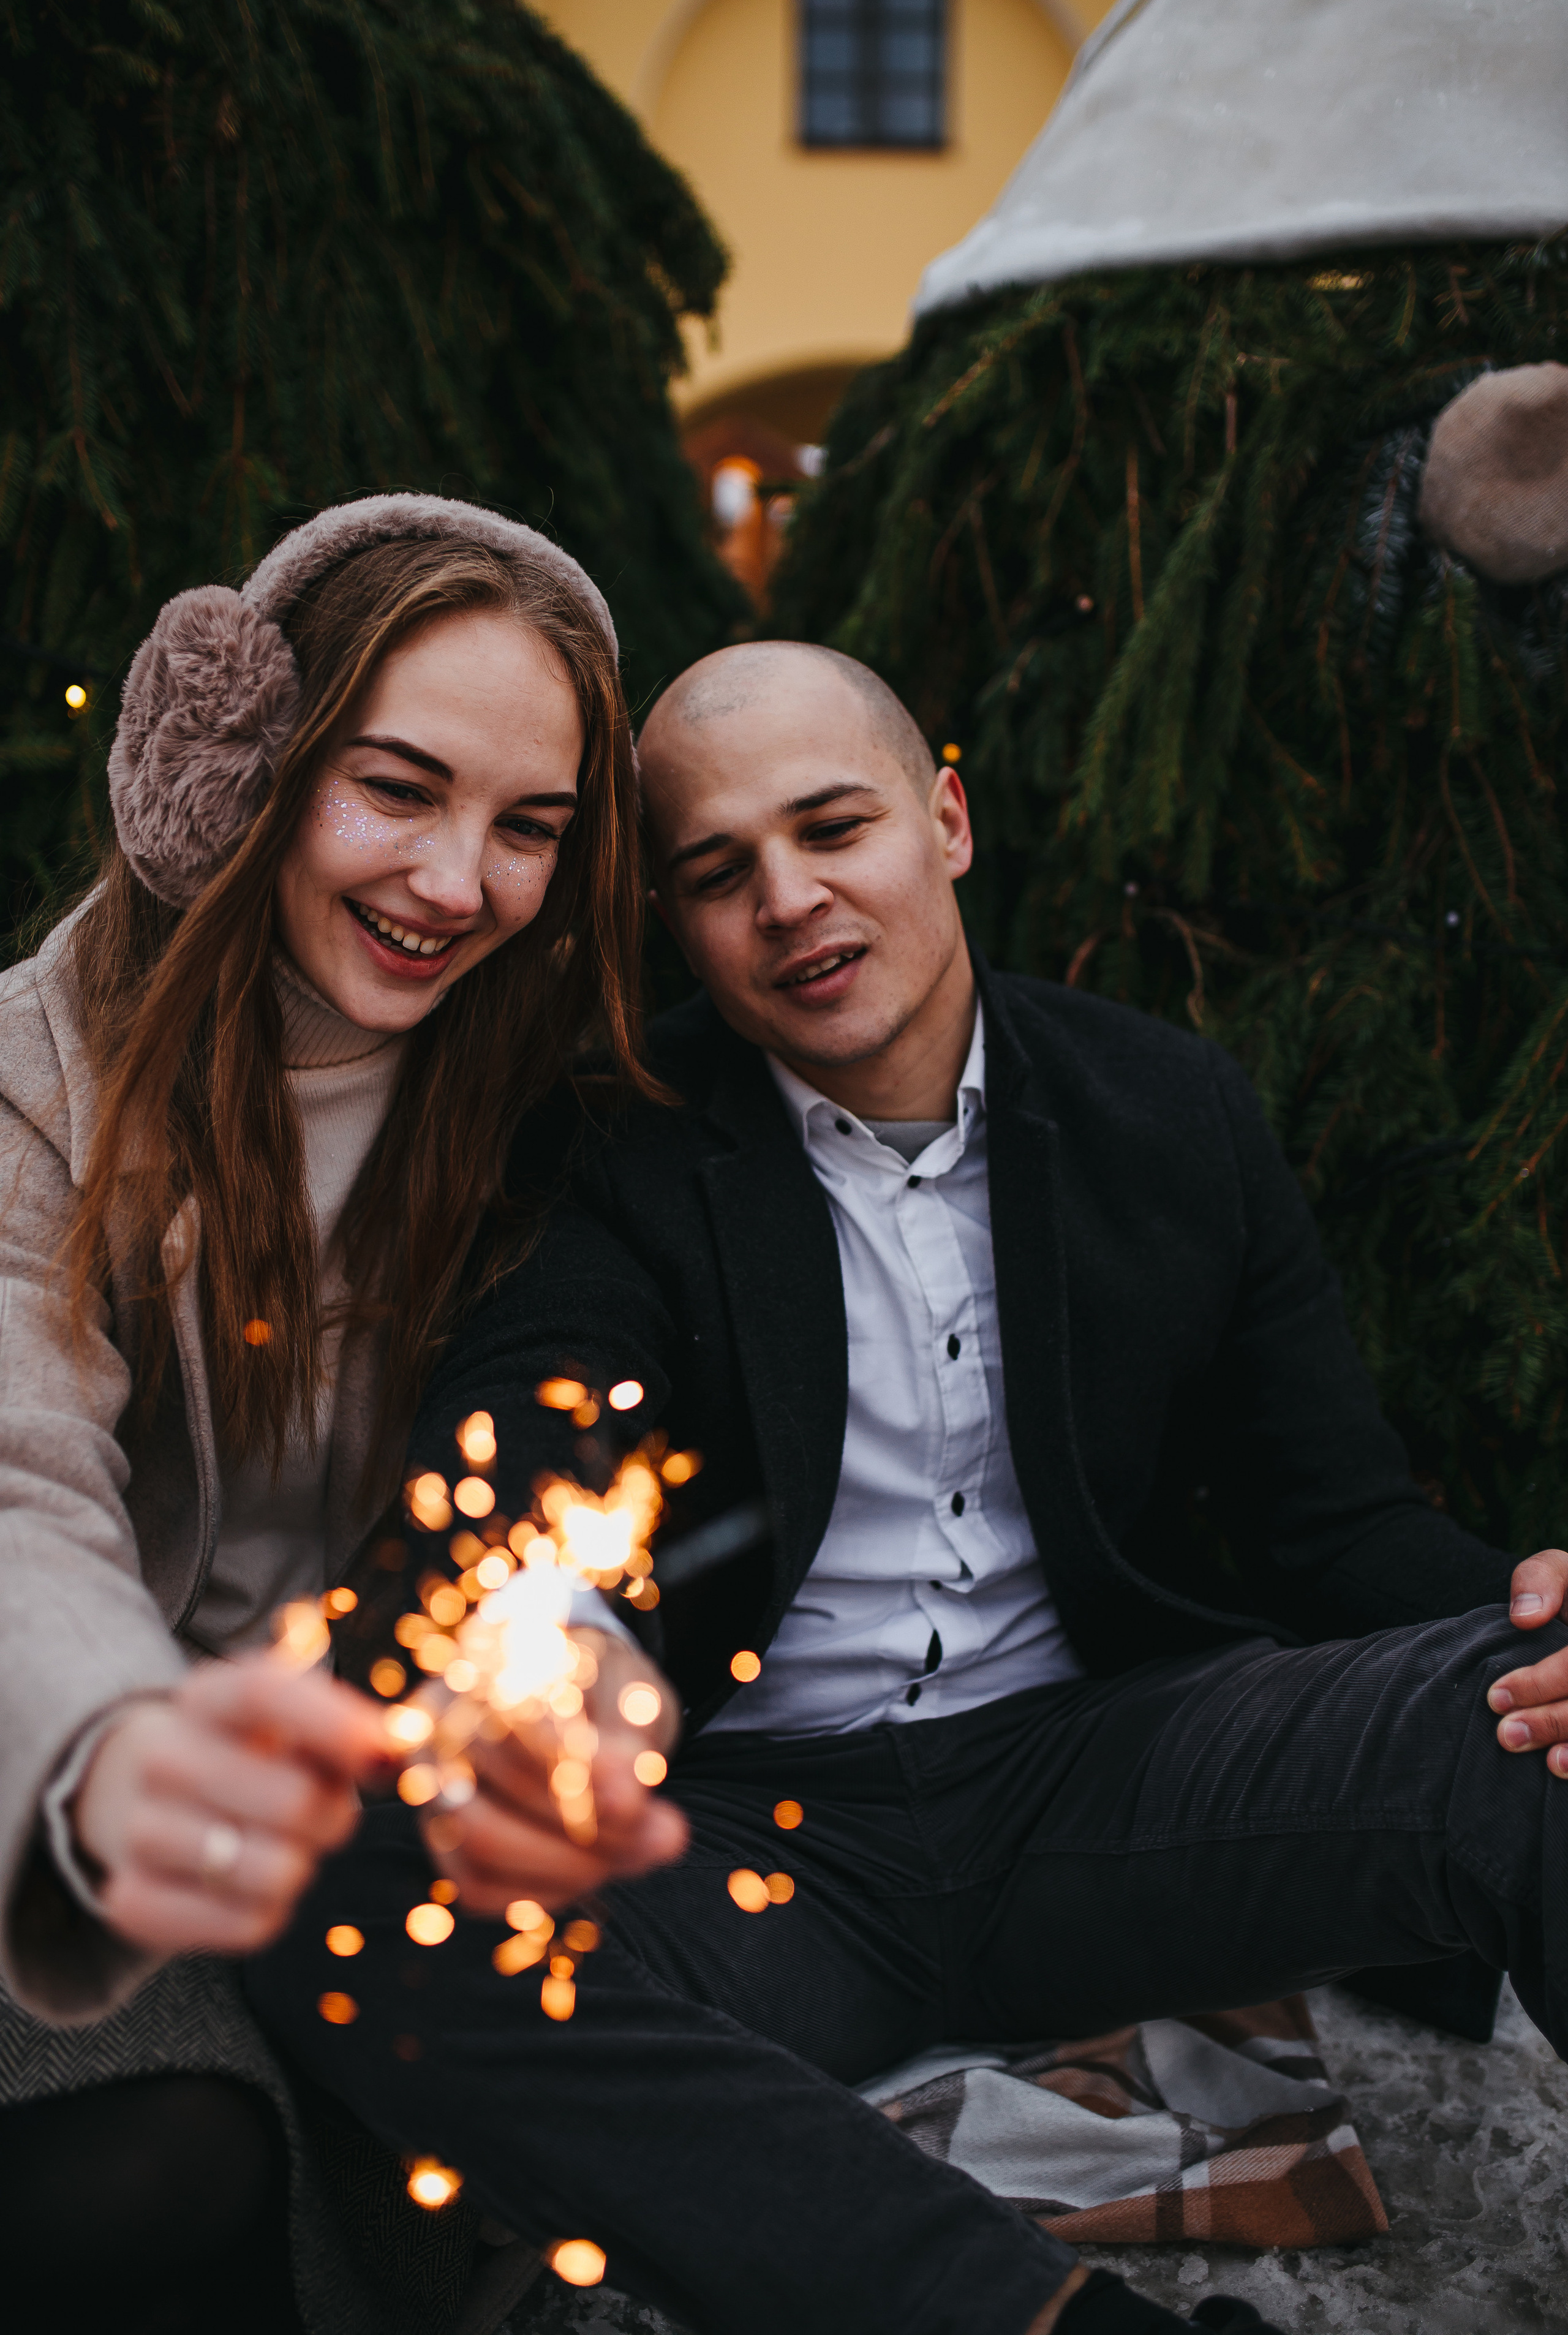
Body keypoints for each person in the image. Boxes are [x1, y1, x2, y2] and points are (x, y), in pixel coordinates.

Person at [249, 640, 1568, 2335]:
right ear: (678, 923)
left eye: (833, 829)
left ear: (943, 820)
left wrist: (1519, 1613)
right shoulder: (608, 1135)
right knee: (341, 1884)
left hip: (1100, 1790)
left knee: (1530, 1721)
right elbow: (533, 1422)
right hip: (749, 1840)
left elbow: (1332, 1524)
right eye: (720, 875)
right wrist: (541, 1623)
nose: (790, 901)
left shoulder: (1167, 1108)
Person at [0, 495, 682, 2335]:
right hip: (68, 1762)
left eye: (529, 827)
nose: (460, 883)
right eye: (398, 788)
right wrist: (114, 1753)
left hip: (388, 1796)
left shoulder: (554, 1101)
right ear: (235, 775)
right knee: (151, 2165)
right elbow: (14, 1489)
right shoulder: (30, 1080)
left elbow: (550, 1470)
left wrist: (572, 1673)